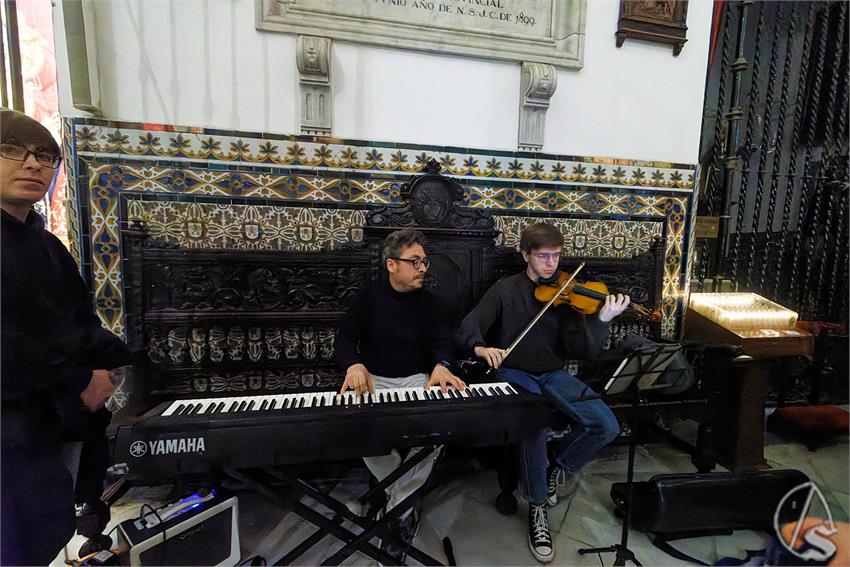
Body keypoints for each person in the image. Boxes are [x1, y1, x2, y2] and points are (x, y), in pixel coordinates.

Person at [1, 108, 130, 566]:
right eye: (13, 151)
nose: (33, 164)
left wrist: (132, 358)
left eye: (45, 156)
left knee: (43, 532)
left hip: (46, 422)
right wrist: (81, 380)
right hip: (9, 429)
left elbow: (78, 325)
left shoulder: (44, 244)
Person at [457, 222, 629, 564]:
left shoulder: (567, 293)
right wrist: (480, 348)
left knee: (606, 425)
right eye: (544, 256)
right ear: (525, 255)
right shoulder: (506, 290)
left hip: (553, 373)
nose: (551, 264)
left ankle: (557, 469)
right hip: (514, 373)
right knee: (533, 426)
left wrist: (603, 319)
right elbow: (469, 325)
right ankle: (538, 508)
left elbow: (584, 350)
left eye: (557, 256)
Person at [335, 228, 466, 561]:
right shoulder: (368, 299)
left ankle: (394, 506)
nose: (423, 268)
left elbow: (443, 343)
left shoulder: (432, 303)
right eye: (415, 261)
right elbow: (345, 340)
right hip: (375, 379)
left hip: (418, 380)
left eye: (424, 261)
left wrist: (441, 364)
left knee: (440, 428)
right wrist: (353, 365)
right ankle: (403, 504)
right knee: (357, 426)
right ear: (392, 265)